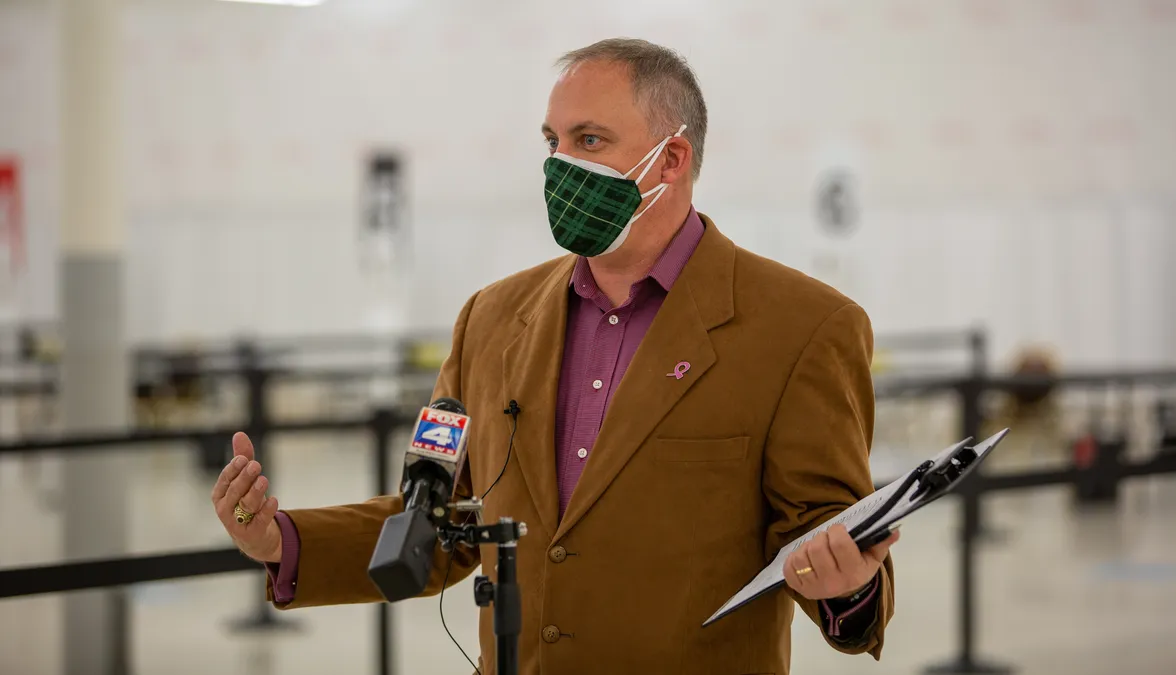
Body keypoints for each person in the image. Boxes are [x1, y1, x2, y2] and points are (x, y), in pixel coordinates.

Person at [210, 38, 897, 675]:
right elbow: (438, 524)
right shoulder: (489, 319)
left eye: (589, 140)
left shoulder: (804, 327)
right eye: (552, 141)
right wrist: (284, 541)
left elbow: (829, 544)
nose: (559, 165)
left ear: (671, 158)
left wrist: (852, 591)